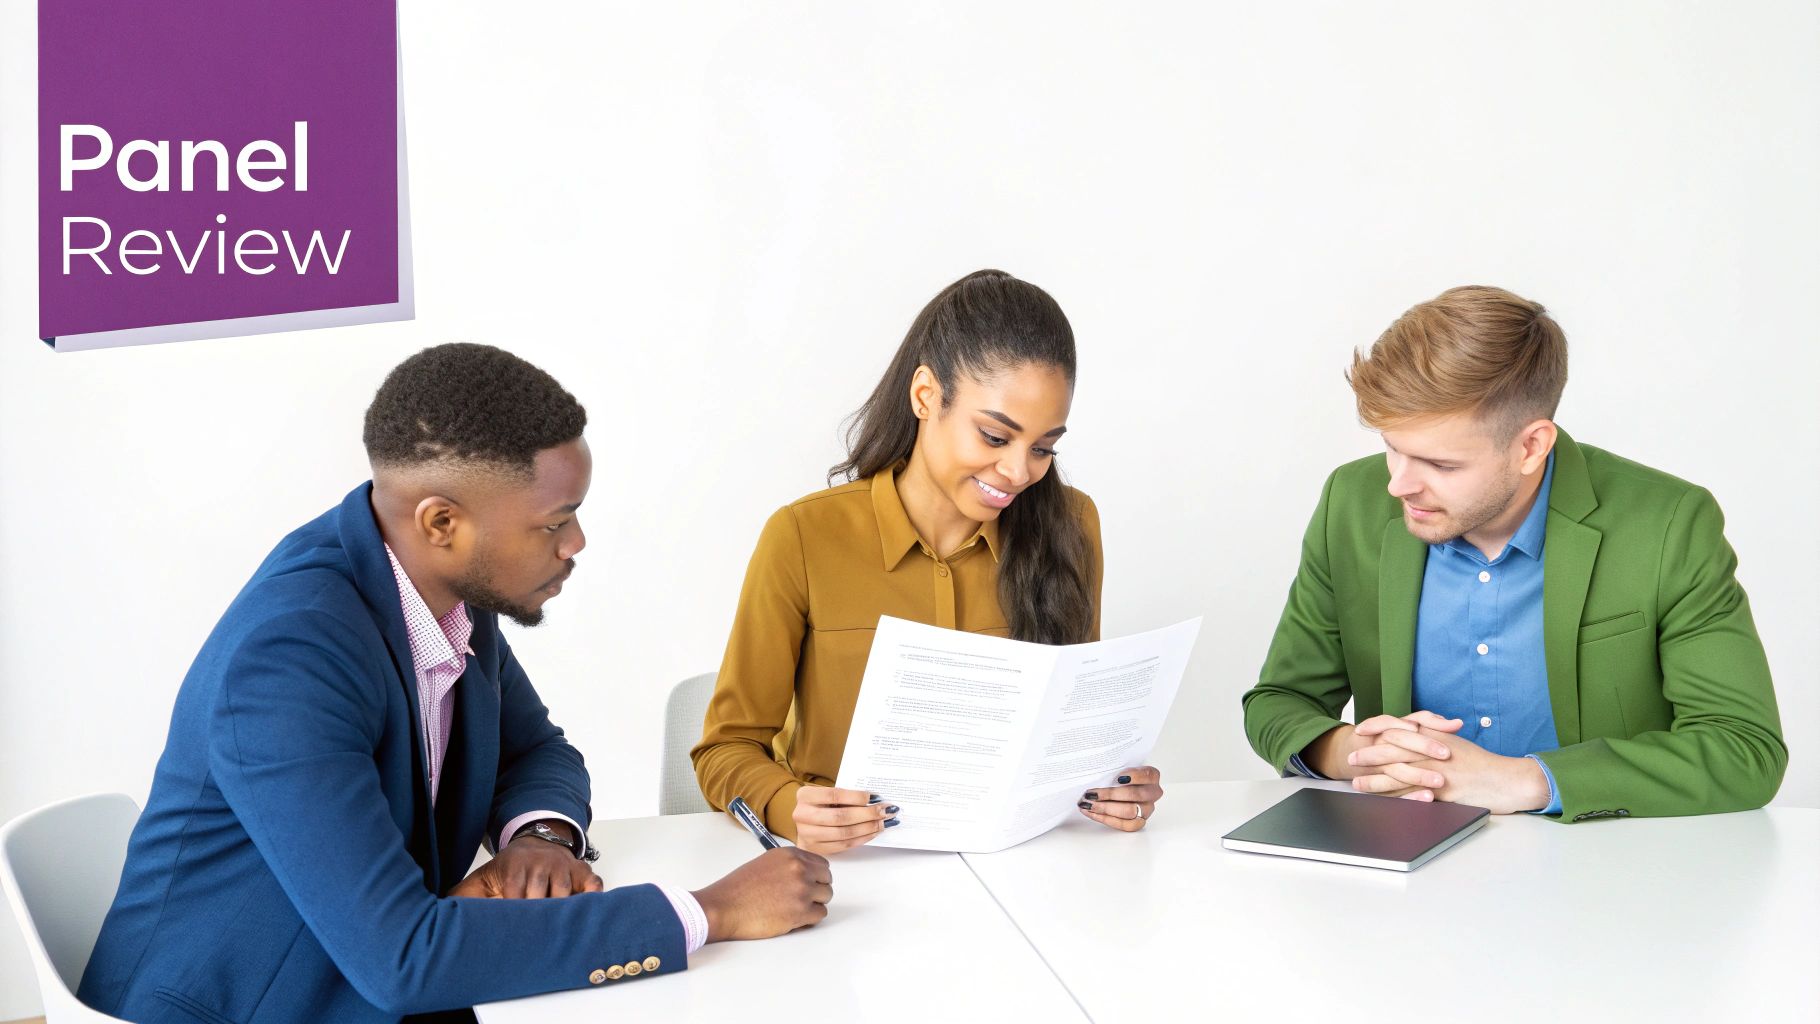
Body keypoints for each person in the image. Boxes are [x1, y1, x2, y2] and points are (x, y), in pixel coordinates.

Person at [80, 344, 831, 1024]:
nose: (576, 544)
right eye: (553, 523)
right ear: (442, 521)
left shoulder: (442, 589)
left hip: (373, 978)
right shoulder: (290, 657)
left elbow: (537, 750)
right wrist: (708, 911)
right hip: (257, 1006)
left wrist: (539, 838)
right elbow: (403, 957)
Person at [1242, 286, 1786, 820]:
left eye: (1442, 465)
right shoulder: (1350, 504)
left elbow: (1744, 750)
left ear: (1531, 446)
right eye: (1392, 448)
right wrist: (1357, 751)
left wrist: (1523, 779)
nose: (1398, 485)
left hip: (1605, 873)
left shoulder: (1669, 522)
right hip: (1406, 870)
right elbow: (1279, 701)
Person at [692, 269, 1163, 853]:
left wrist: (1115, 788)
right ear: (925, 396)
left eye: (1043, 447)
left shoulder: (1070, 526)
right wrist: (788, 806)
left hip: (1026, 868)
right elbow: (724, 750)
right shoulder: (803, 537)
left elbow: (1073, 736)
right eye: (995, 436)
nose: (1019, 472)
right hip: (850, 878)